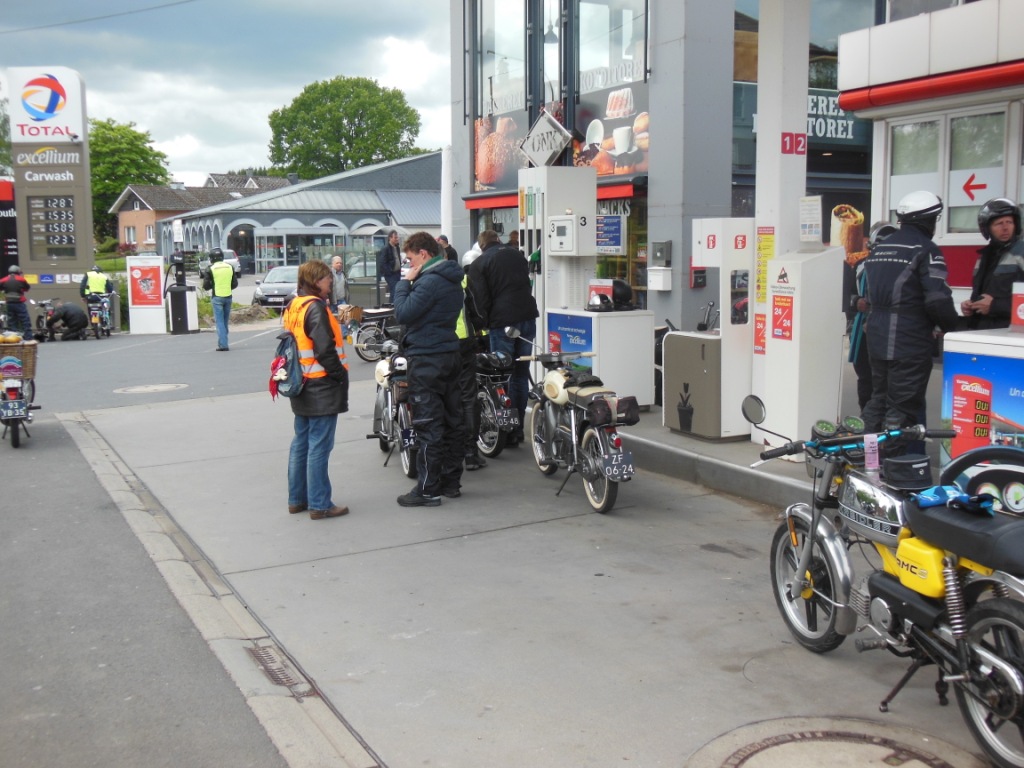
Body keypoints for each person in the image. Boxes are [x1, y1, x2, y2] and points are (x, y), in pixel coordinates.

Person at [861, 191, 958, 436]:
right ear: (928, 220)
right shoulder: (926, 249)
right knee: (902, 411)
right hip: (909, 340)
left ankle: (865, 454)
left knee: (878, 400)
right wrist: (956, 329)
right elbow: (937, 300)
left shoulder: (879, 249)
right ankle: (895, 459)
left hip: (877, 336)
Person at [392, 231, 466, 506]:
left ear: (423, 254)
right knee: (452, 421)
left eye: (411, 259)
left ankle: (427, 489)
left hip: (426, 358)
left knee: (428, 424)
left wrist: (404, 284)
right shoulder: (452, 278)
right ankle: (450, 482)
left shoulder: (429, 281)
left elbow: (403, 313)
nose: (409, 265)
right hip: (449, 353)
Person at [282, 260, 351, 521]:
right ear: (316, 281)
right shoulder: (315, 308)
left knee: (301, 442)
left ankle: (297, 499)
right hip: (321, 384)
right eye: (326, 278)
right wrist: (339, 374)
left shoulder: (294, 305)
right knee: (319, 446)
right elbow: (325, 349)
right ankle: (320, 504)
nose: (330, 282)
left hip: (300, 382)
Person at [466, 229, 539, 446]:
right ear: (498, 240)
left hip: (502, 322)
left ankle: (506, 431)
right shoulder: (518, 256)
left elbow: (480, 300)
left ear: (481, 246)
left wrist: (480, 325)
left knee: (501, 375)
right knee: (520, 375)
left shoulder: (480, 264)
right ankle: (518, 429)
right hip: (527, 318)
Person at [847, 221, 896, 410]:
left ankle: (885, 419)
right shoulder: (860, 266)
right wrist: (856, 301)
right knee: (865, 377)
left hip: (889, 331)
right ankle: (867, 416)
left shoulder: (902, 267)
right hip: (862, 332)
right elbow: (846, 294)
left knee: (888, 380)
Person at [961, 197, 1024, 330]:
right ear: (987, 228)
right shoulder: (984, 257)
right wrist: (971, 305)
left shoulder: (1021, 253)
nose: (1005, 228)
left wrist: (994, 306)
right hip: (982, 330)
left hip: (1011, 333)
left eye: (1009, 222)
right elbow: (981, 295)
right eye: (999, 223)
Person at [457, 245, 487, 471]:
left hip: (436, 348)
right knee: (468, 399)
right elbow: (476, 312)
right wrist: (482, 334)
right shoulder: (462, 281)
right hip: (463, 344)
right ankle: (470, 453)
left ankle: (445, 454)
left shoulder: (417, 281)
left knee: (439, 398)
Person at [202, 247, 238, 351]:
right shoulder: (230, 267)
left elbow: (206, 286)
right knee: (225, 321)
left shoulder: (210, 269)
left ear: (211, 258)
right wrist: (226, 287)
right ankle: (222, 341)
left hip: (217, 297)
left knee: (220, 322)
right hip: (228, 296)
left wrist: (213, 284)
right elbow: (235, 284)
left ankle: (223, 344)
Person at [0, 265, 31, 334]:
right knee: (25, 320)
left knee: (11, 321)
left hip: (9, 303)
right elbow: (27, 288)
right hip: (19, 302)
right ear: (18, 272)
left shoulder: (3, 280)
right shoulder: (21, 279)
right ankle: (28, 336)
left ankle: (13, 336)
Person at [376, 230, 402, 304]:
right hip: (391, 274)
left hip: (397, 273)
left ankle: (394, 305)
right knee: (394, 290)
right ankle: (392, 306)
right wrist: (389, 272)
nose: (397, 239)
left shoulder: (397, 247)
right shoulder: (385, 248)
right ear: (390, 238)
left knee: (396, 291)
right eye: (395, 237)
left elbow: (396, 259)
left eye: (397, 237)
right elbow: (382, 263)